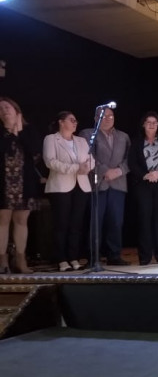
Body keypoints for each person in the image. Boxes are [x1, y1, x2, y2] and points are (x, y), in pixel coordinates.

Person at [43, 111, 94, 271]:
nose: (75, 123)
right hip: (60, 187)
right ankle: (61, 259)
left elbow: (91, 159)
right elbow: (50, 161)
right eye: (71, 120)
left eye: (76, 120)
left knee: (76, 224)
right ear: (61, 122)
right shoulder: (51, 139)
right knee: (61, 224)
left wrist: (87, 167)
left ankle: (73, 257)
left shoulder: (81, 140)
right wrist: (76, 168)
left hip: (81, 185)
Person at [80, 107, 131, 266]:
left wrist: (119, 171)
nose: (108, 119)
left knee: (116, 221)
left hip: (118, 183)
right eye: (104, 116)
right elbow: (87, 156)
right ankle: (93, 256)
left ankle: (114, 255)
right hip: (97, 184)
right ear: (96, 118)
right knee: (95, 222)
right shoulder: (87, 134)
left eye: (111, 116)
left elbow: (130, 158)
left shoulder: (123, 136)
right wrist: (104, 171)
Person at [0, 97, 42, 274]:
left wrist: (19, 132)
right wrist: (10, 134)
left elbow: (35, 152)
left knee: (21, 220)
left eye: (7, 107)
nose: (4, 110)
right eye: (1, 109)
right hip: (4, 184)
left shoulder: (29, 130)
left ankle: (20, 258)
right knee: (2, 220)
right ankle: (2, 260)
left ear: (16, 110)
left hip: (25, 183)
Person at [128, 112, 158, 265]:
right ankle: (145, 256)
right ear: (143, 125)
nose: (152, 125)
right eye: (148, 122)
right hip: (143, 185)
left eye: (155, 122)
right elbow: (132, 163)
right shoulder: (136, 142)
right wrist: (145, 175)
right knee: (144, 220)